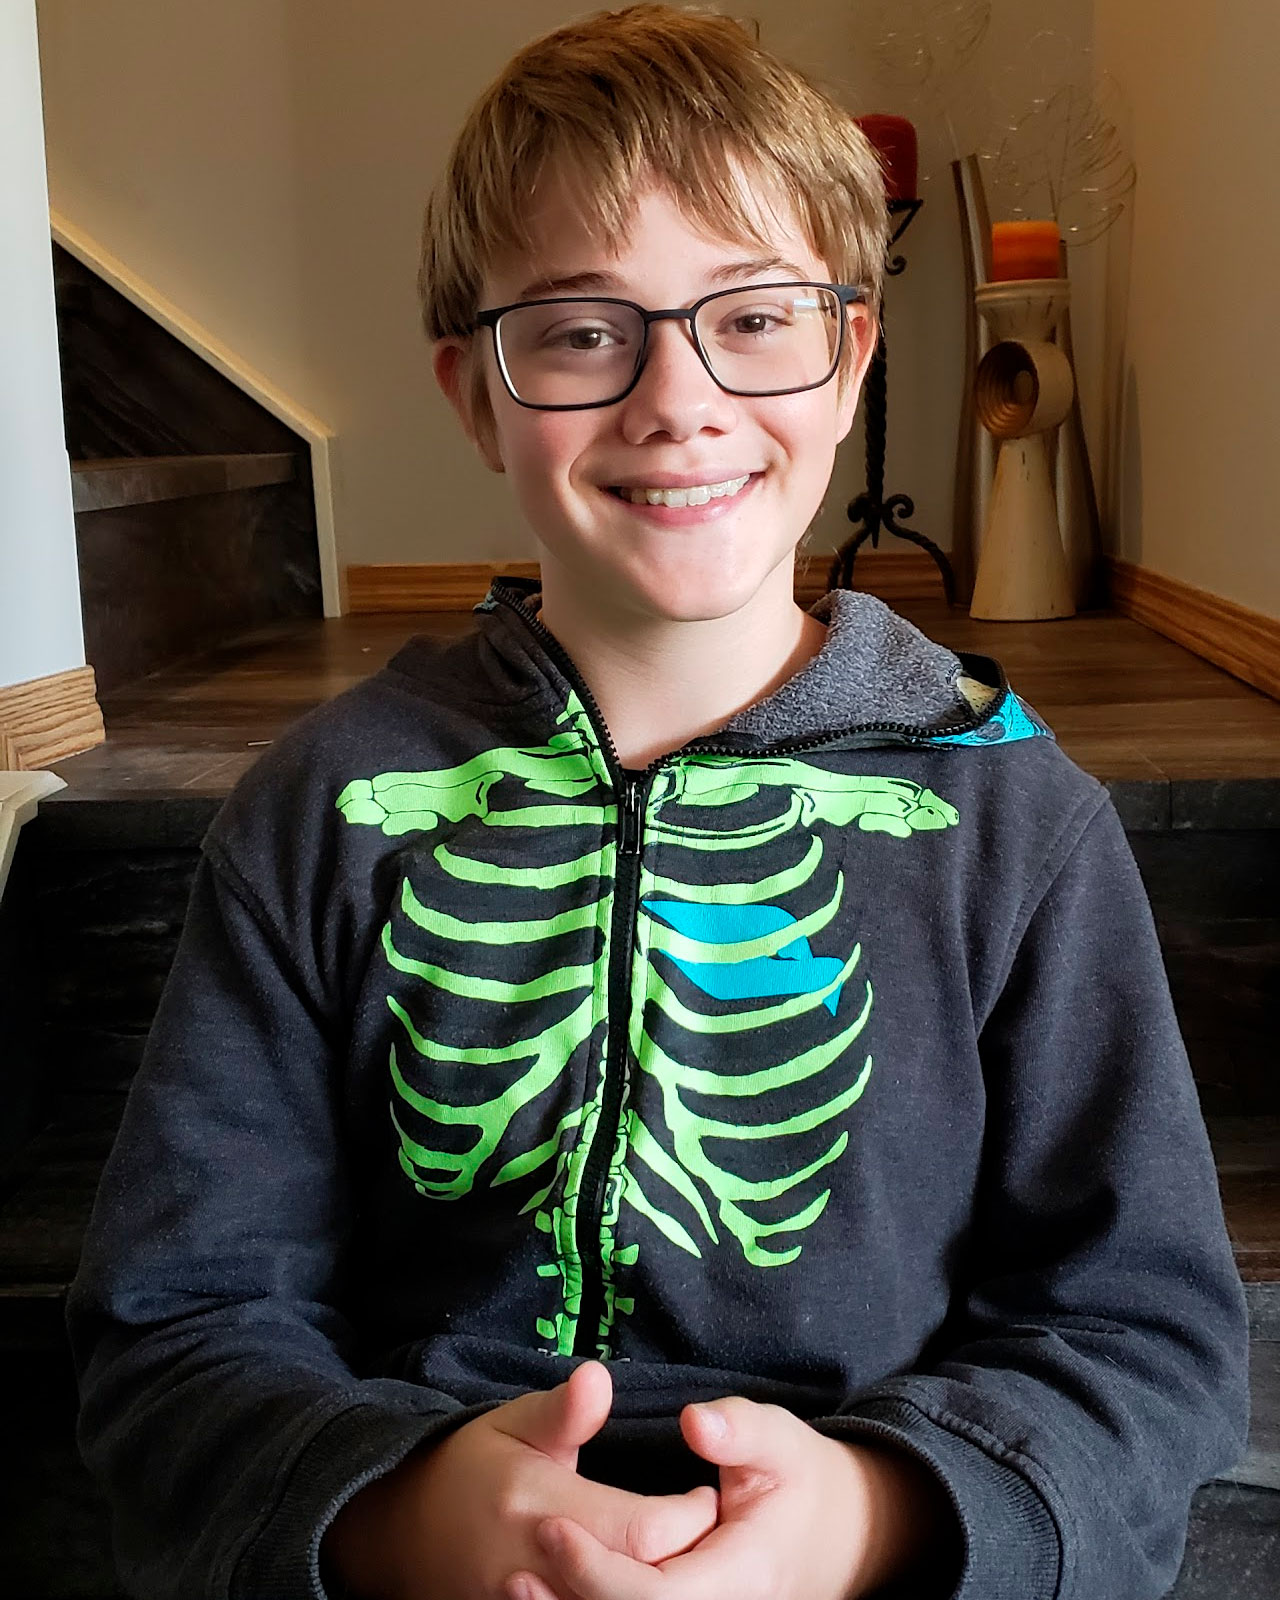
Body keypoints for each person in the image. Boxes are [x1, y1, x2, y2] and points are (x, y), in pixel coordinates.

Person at [68, 7, 1249, 1600]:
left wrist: (876, 1520)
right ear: (475, 394)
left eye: (755, 319)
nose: (676, 400)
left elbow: (1139, 1327)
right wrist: (400, 1515)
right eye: (577, 331)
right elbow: (183, 1315)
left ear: (851, 365)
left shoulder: (1014, 822)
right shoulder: (323, 809)